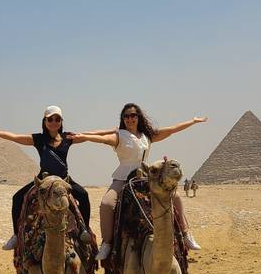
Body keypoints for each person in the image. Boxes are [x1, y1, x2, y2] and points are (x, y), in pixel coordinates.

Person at [72, 103, 208, 261]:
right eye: (126, 116)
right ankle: (107, 244)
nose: (130, 119)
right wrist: (85, 137)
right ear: (123, 119)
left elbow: (171, 130)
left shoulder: (147, 135)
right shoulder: (119, 135)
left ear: (138, 117)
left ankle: (185, 235)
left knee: (175, 196)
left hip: (145, 176)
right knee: (107, 204)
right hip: (123, 177)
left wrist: (192, 121)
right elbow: (102, 138)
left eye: (133, 115)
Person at [0, 106, 92, 250]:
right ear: (44, 121)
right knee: (17, 198)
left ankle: (85, 229)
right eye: (50, 119)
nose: (54, 122)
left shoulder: (68, 137)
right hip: (44, 179)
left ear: (61, 121)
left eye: (57, 119)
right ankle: (16, 235)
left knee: (83, 195)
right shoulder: (38, 139)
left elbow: (90, 135)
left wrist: (116, 131)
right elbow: (15, 137)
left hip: (63, 179)